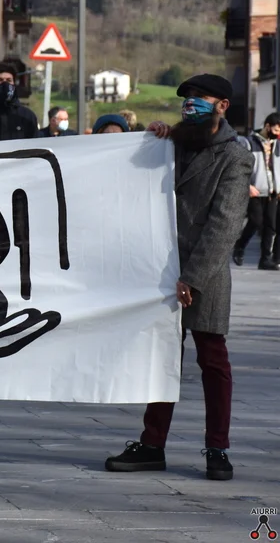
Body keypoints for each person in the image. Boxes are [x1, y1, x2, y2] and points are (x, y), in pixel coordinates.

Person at [105, 74, 250, 482]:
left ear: (222, 105)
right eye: (187, 98)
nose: (190, 104)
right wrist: (150, 137)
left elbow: (225, 223)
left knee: (213, 360)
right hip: (161, 270)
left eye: (200, 97)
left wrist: (193, 278)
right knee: (163, 358)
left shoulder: (234, 156)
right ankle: (152, 444)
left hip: (204, 274)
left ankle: (218, 448)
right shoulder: (172, 142)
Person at [233, 113, 280, 270]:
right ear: (267, 126)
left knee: (270, 226)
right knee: (256, 221)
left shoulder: (277, 145)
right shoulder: (249, 142)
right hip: (255, 190)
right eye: (276, 129)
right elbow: (239, 167)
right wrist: (247, 186)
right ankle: (240, 245)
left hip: (272, 191)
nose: (277, 133)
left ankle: (265, 259)